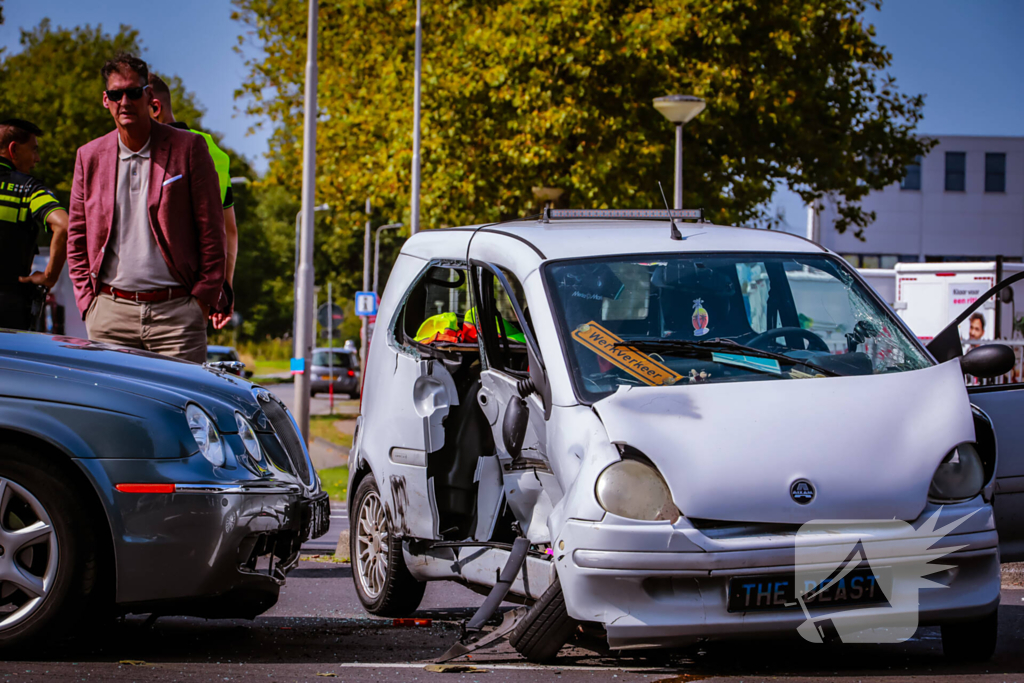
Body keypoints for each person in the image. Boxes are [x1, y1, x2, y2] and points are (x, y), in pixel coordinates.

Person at [66, 52, 225, 363]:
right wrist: (88, 303)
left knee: (180, 409)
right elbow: (77, 236)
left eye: (133, 92)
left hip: (177, 317)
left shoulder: (189, 148)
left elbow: (212, 230)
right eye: (116, 93)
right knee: (111, 411)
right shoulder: (90, 156)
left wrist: (202, 301)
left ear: (149, 96)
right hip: (110, 315)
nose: (124, 101)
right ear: (106, 100)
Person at [147, 72, 237, 330]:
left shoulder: (141, 152)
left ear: (155, 108)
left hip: (146, 292)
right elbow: (228, 230)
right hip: (195, 296)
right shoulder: (214, 151)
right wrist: (224, 288)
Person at [0, 118, 69, 330]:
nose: (37, 158)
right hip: (8, 309)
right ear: (14, 150)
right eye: (33, 150)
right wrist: (49, 277)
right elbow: (65, 226)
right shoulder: (29, 189)